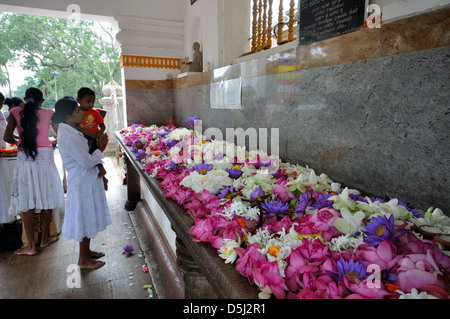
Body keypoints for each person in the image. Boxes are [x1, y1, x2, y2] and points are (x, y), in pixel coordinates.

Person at [3, 87, 65, 255]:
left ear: (25, 98)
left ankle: (30, 246)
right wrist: (48, 141)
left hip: (25, 158)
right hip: (45, 157)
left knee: (26, 200)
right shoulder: (48, 113)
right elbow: (60, 135)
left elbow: (7, 137)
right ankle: (44, 239)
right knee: (47, 197)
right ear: (42, 101)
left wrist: (21, 141)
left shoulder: (15, 112)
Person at [51, 97, 111, 269]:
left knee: (88, 217)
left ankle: (87, 252)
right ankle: (83, 260)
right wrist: (101, 148)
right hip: (82, 181)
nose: (82, 113)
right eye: (78, 111)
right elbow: (86, 162)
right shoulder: (69, 136)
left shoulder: (71, 130)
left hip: (86, 180)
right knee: (84, 219)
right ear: (69, 117)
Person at [76, 87, 108, 190]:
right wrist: (88, 133)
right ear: (78, 101)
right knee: (86, 155)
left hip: (94, 138)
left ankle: (101, 169)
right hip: (82, 137)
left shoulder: (95, 113)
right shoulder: (76, 113)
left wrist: (98, 134)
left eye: (93, 102)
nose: (91, 104)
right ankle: (100, 174)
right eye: (88, 101)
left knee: (95, 150)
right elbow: (76, 127)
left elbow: (102, 126)